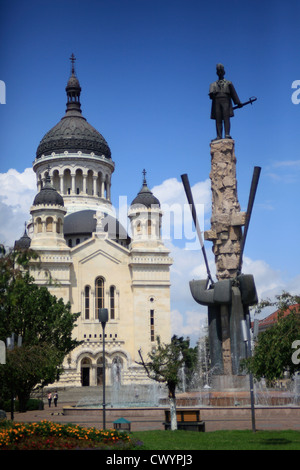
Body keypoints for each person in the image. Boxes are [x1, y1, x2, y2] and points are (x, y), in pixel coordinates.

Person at [209, 63, 242, 140]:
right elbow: (211, 96)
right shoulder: (213, 84)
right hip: (216, 101)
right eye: (218, 71)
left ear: (224, 72)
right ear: (217, 73)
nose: (220, 72)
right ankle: (219, 136)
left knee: (226, 118)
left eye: (221, 70)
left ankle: (227, 134)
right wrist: (212, 94)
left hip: (226, 101)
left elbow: (233, 93)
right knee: (218, 119)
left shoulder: (229, 83)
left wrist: (238, 102)